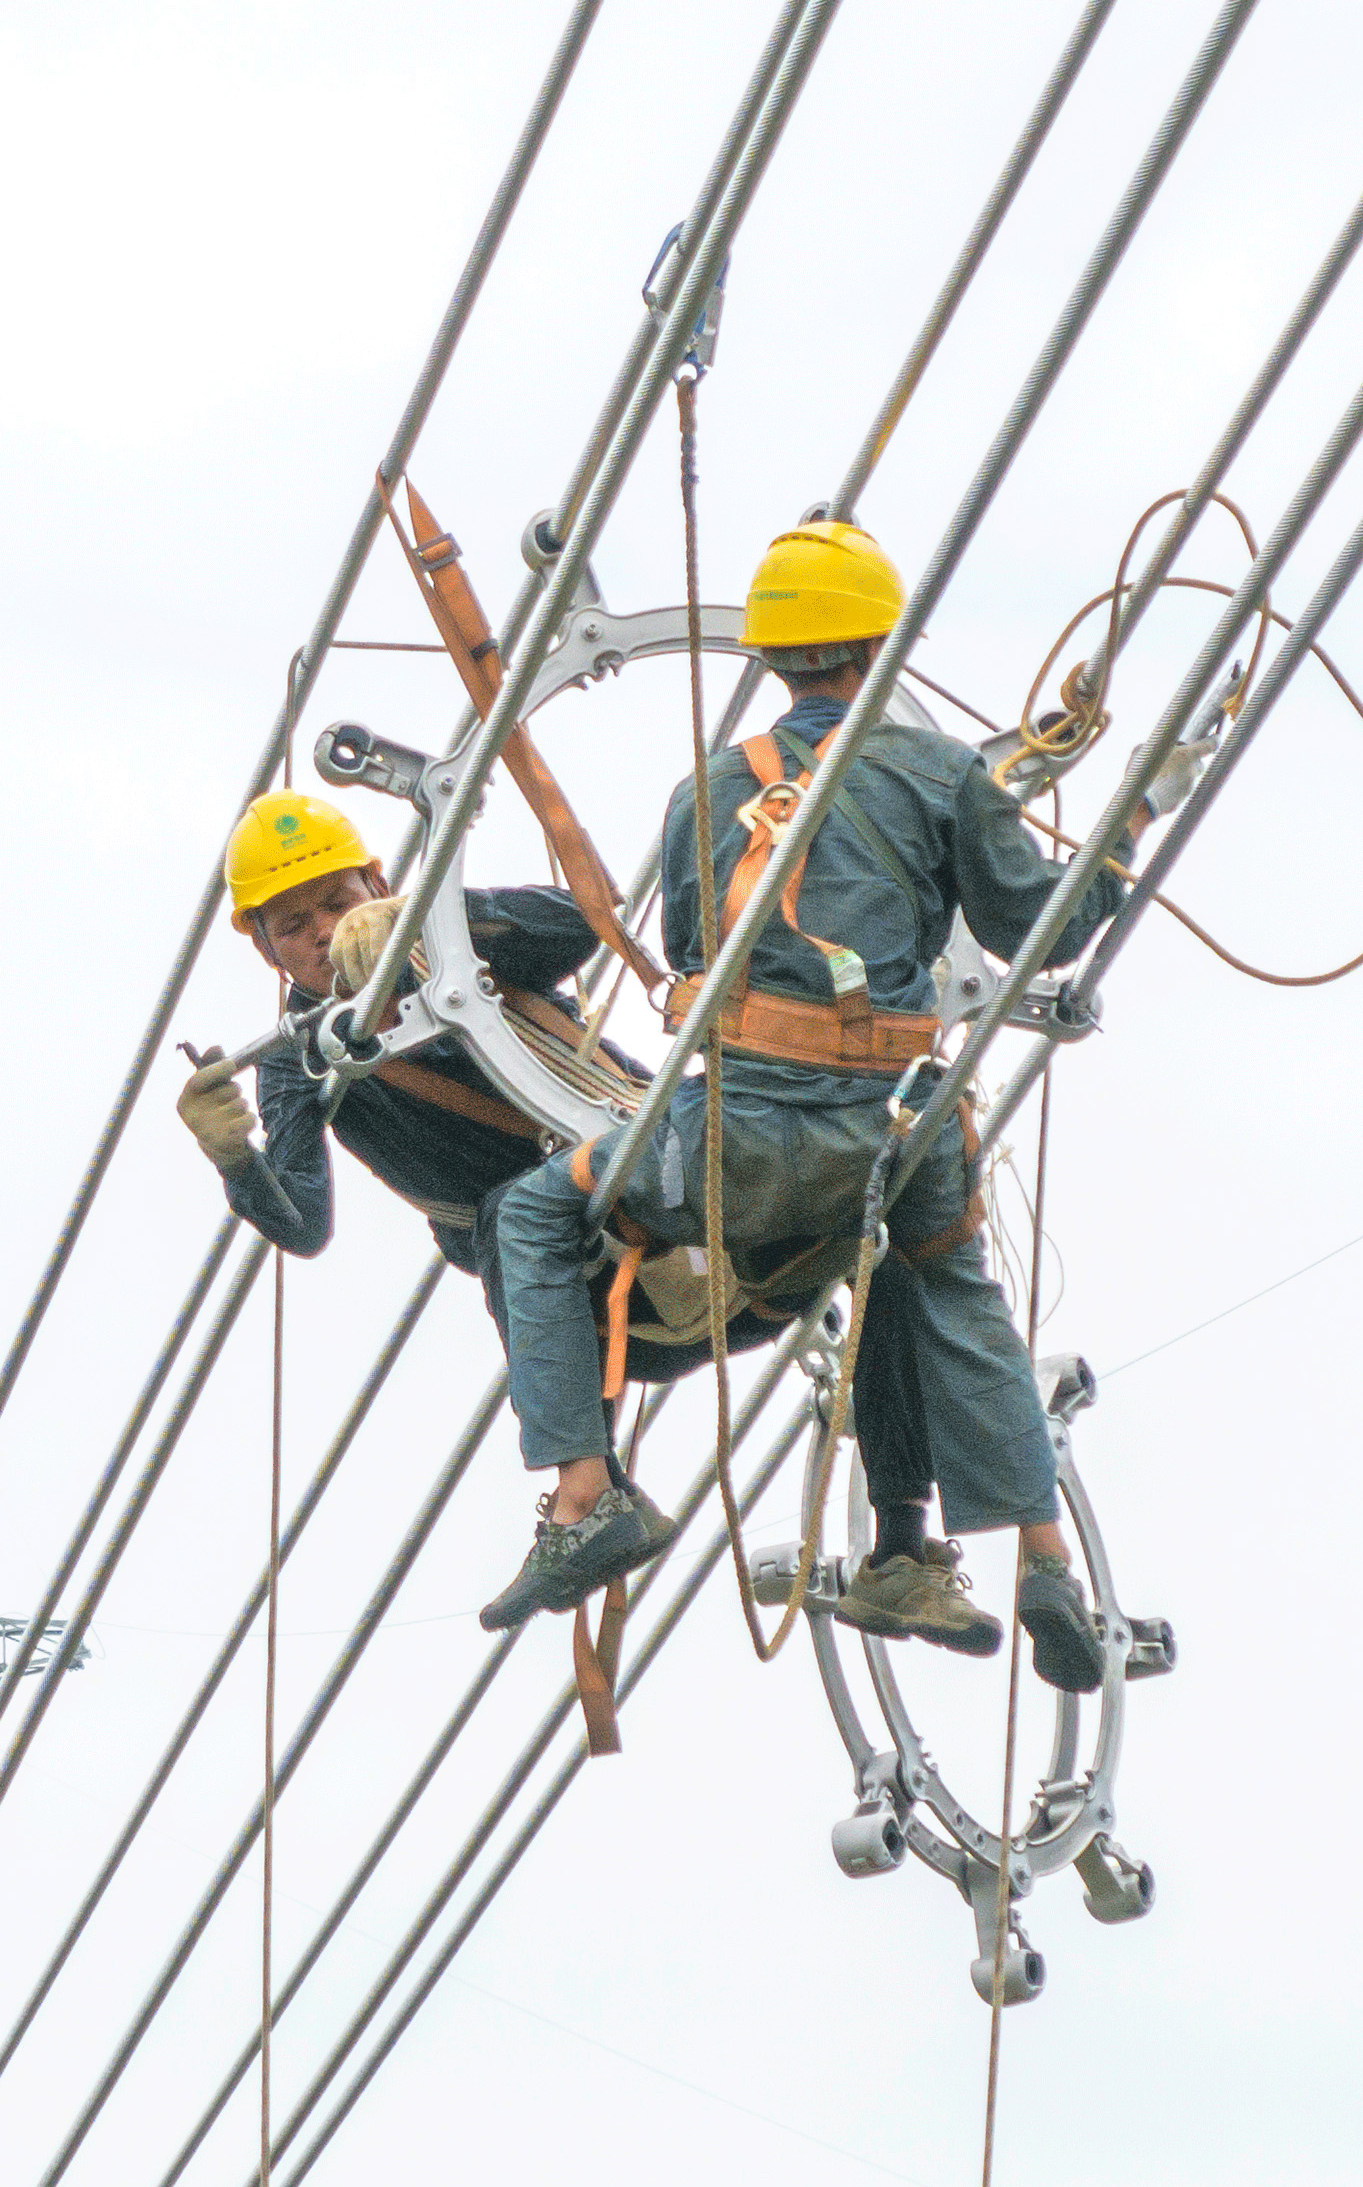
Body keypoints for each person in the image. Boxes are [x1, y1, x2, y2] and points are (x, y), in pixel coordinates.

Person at [470, 518, 1127, 1688]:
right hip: (890, 1135)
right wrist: (1113, 847)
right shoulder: (944, 776)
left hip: (726, 1146)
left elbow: (689, 954)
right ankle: (1038, 1562)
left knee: (527, 1211)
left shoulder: (704, 792)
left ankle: (583, 1496)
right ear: (878, 650)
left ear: (771, 661)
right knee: (946, 1285)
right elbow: (1040, 929)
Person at [173, 790, 999, 1657]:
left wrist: (433, 925)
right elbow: (304, 1225)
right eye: (292, 923)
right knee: (511, 1216)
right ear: (263, 946)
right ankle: (590, 1493)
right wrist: (236, 1158)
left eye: (337, 901)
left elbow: (581, 922)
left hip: (704, 1211)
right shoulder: (301, 1067)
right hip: (608, 1307)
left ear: (378, 881)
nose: (318, 932)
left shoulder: (466, 962)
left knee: (877, 1222)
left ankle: (902, 1553)